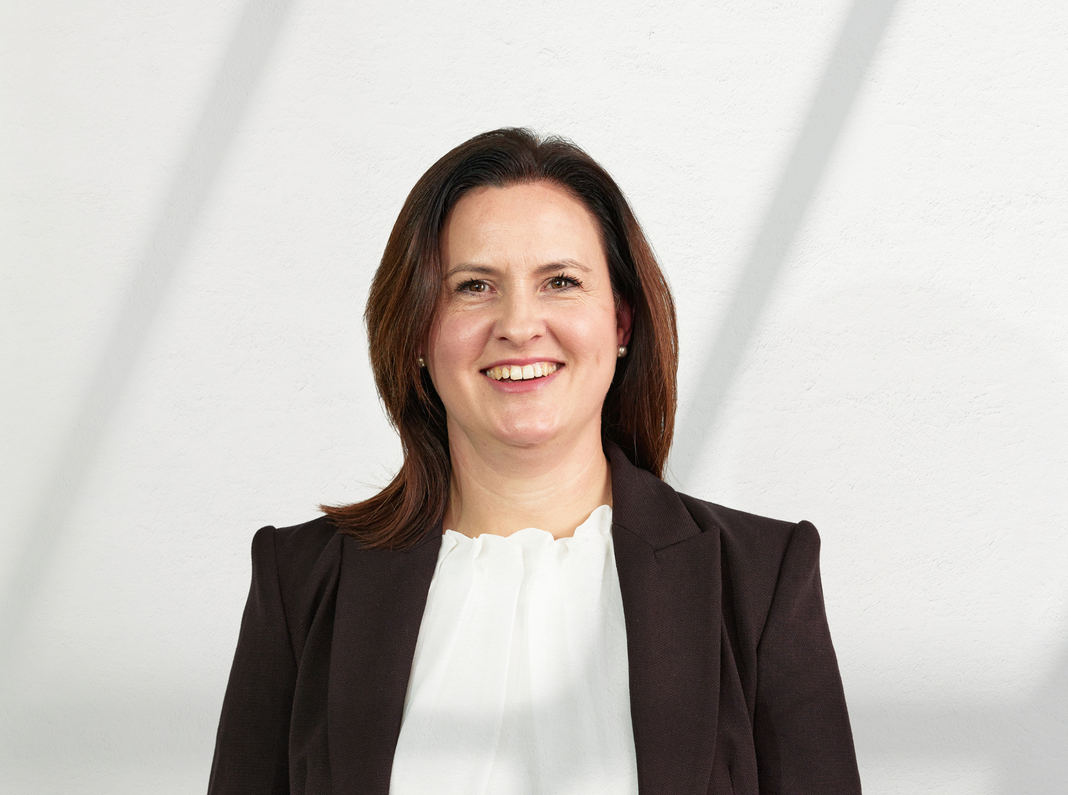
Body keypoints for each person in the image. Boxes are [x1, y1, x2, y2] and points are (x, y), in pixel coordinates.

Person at [207, 128, 861, 795]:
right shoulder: (300, 584)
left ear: (621, 322)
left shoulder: (758, 579)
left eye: (560, 281)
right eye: (473, 286)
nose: (519, 324)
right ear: (416, 334)